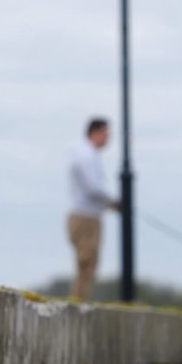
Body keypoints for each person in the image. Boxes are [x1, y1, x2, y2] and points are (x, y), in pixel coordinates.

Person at [66, 117, 118, 300]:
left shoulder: (86, 154)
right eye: (106, 134)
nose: (108, 139)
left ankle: (81, 301)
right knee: (86, 263)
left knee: (88, 264)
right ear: (94, 132)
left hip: (88, 215)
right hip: (85, 217)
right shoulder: (85, 155)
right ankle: (79, 303)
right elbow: (93, 187)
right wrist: (115, 200)